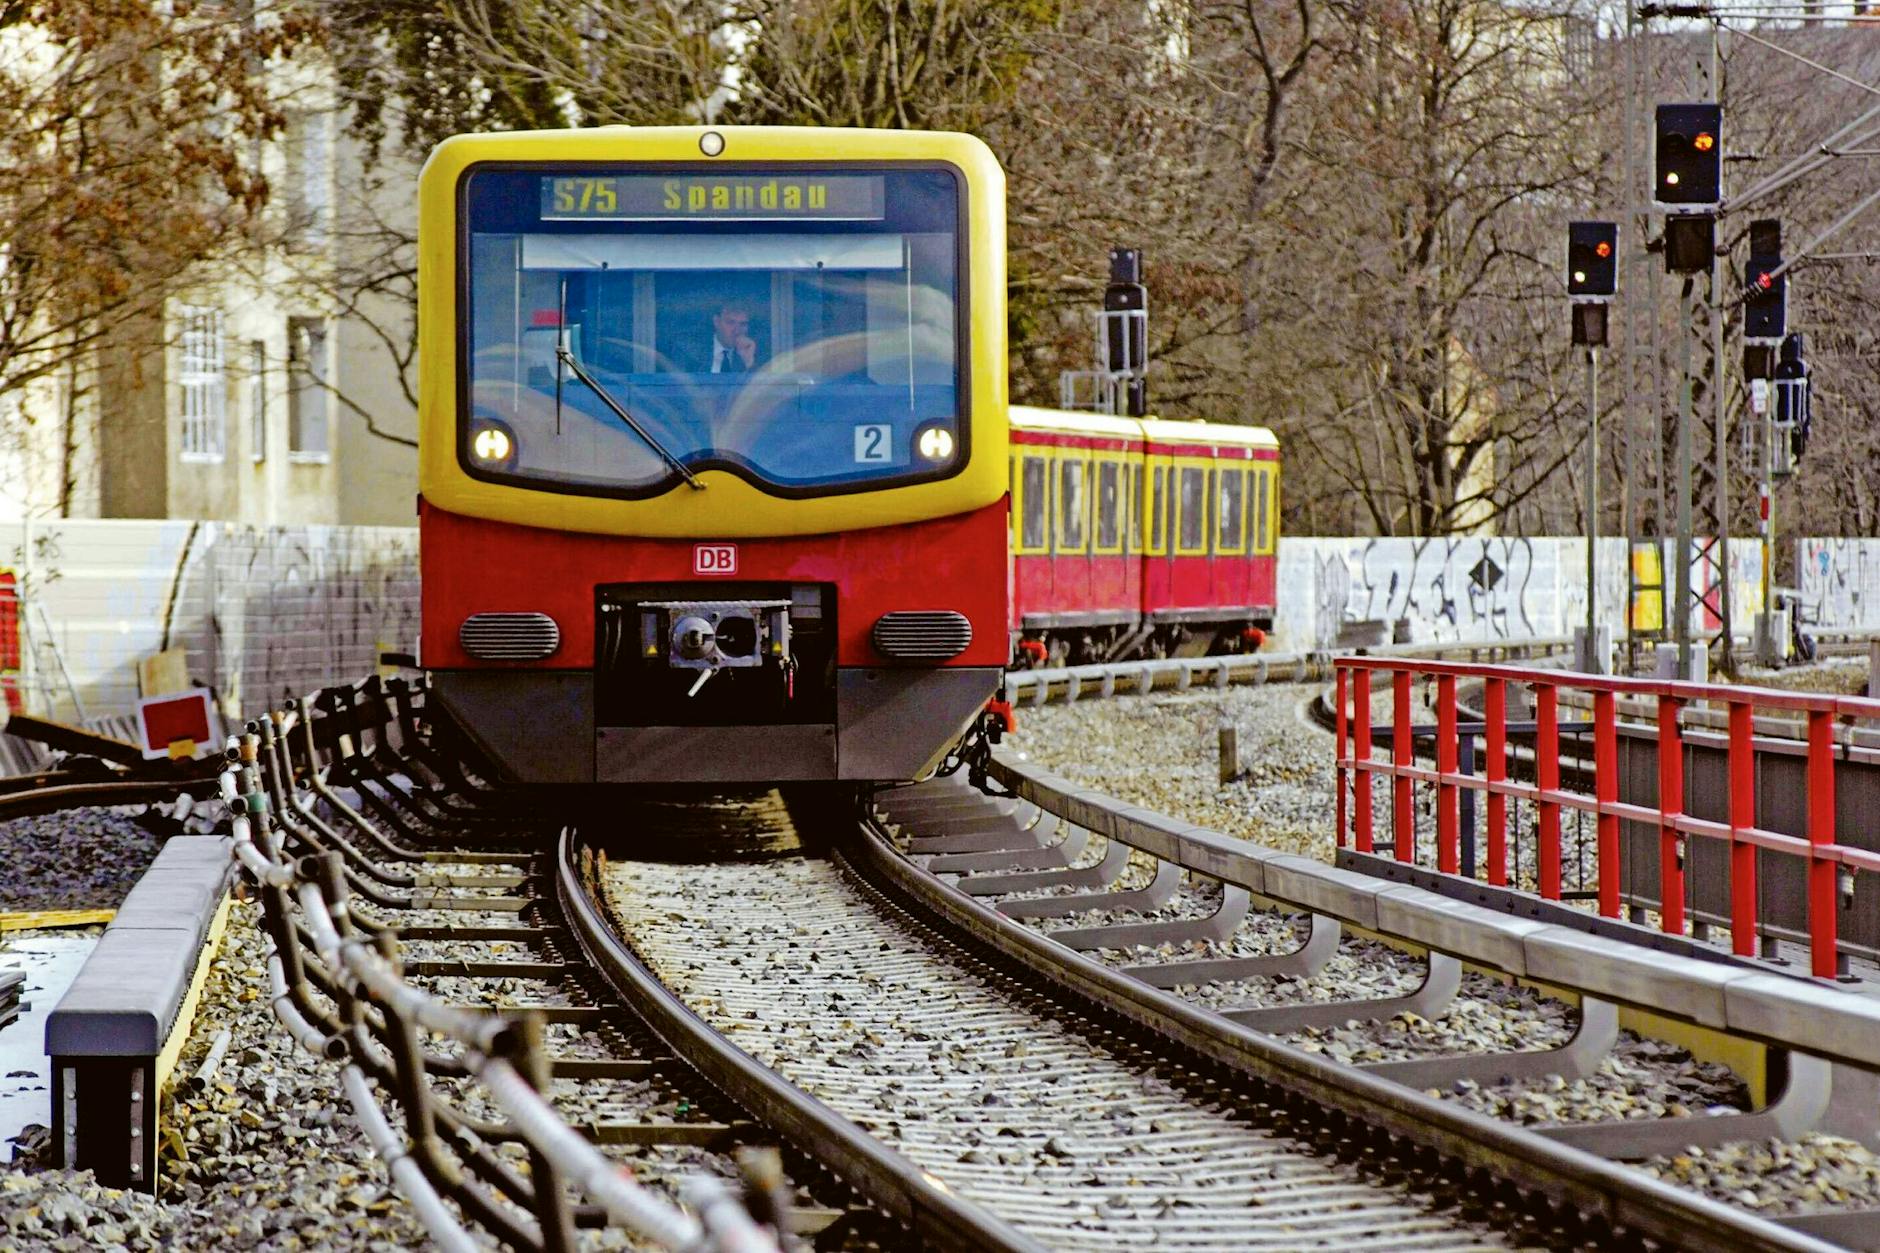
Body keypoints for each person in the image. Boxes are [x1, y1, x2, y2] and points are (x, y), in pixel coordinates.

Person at [682, 299, 761, 374]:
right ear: (716, 322)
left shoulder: (752, 352)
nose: (737, 330)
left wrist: (749, 362)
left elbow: (762, 386)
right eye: (730, 323)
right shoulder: (693, 351)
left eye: (743, 324)